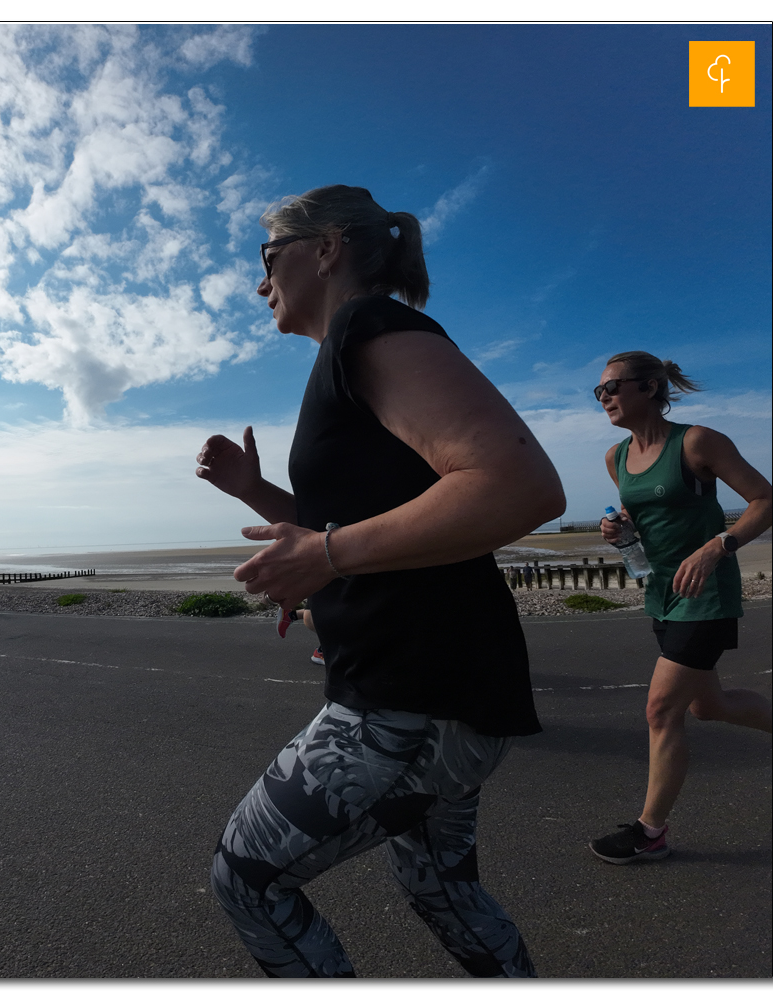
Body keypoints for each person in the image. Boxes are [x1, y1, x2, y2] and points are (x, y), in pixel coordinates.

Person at [196, 185, 565, 978]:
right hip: (448, 692)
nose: (259, 285)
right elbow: (371, 520)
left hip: (410, 698)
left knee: (248, 877)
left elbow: (518, 485)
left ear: (325, 249)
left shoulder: (369, 326)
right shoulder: (350, 353)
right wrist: (259, 499)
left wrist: (326, 558)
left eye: (267, 260)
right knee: (440, 887)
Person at [588, 352, 772, 865]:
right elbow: (645, 516)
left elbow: (766, 500)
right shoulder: (615, 457)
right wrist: (619, 529)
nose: (604, 398)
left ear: (649, 387)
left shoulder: (696, 442)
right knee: (705, 706)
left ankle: (651, 833)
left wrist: (719, 546)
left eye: (612, 388)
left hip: (707, 593)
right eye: (598, 391)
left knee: (661, 710)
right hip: (662, 593)